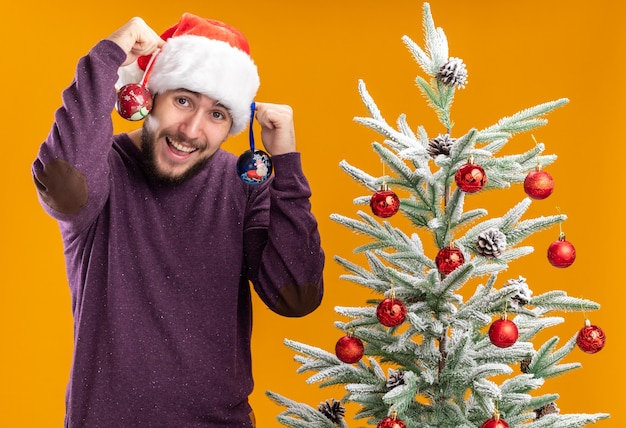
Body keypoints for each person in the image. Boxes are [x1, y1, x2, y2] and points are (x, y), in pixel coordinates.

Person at [32, 13, 324, 427]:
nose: (191, 129)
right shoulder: (103, 168)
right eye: (183, 100)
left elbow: (296, 296)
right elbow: (62, 186)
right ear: (149, 94)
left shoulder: (244, 185)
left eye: (217, 114)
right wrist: (107, 58)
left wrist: (287, 165)